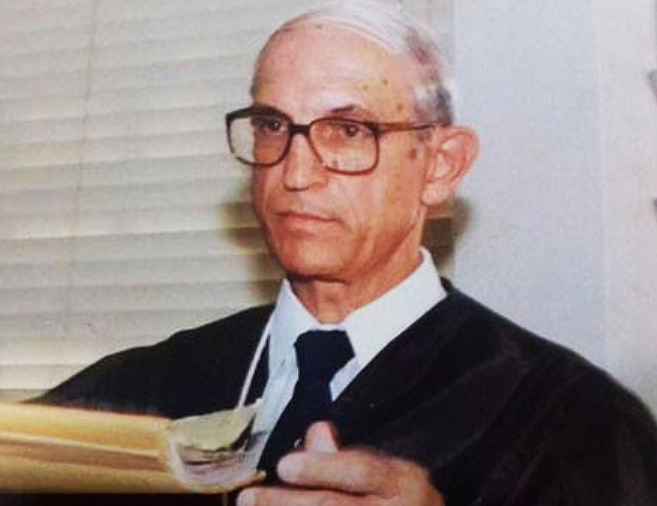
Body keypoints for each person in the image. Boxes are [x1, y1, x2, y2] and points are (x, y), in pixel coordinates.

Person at [28, 1, 657, 505]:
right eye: (273, 125)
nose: (296, 173)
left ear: (440, 166)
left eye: (349, 131)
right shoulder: (137, 397)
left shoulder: (569, 423)